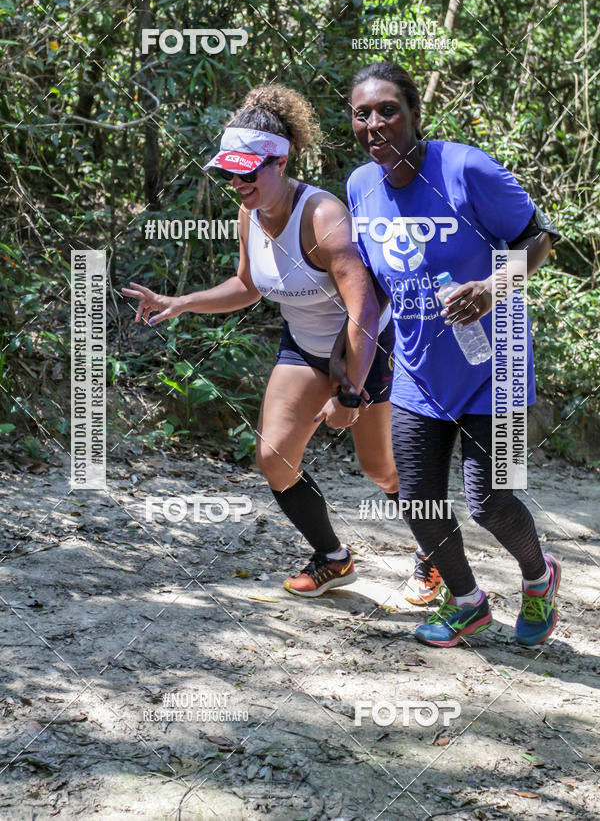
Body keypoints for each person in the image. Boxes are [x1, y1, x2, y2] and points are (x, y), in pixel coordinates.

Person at [123, 84, 441, 602]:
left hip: (365, 349)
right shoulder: (250, 213)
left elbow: (363, 310)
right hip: (303, 345)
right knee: (274, 457)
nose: (236, 182)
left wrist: (349, 394)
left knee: (379, 468)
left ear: (281, 161)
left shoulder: (322, 217)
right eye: (227, 172)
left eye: (246, 171)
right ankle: (334, 559)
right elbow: (248, 286)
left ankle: (434, 552)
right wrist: (181, 302)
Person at [339, 61, 562, 647]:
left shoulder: (465, 168)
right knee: (417, 499)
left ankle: (539, 579)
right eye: (362, 113)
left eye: (388, 109)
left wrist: (492, 287)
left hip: (502, 366)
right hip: (420, 368)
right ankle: (468, 602)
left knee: (490, 503)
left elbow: (538, 238)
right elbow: (374, 285)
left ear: (414, 114)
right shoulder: (360, 186)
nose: (375, 123)